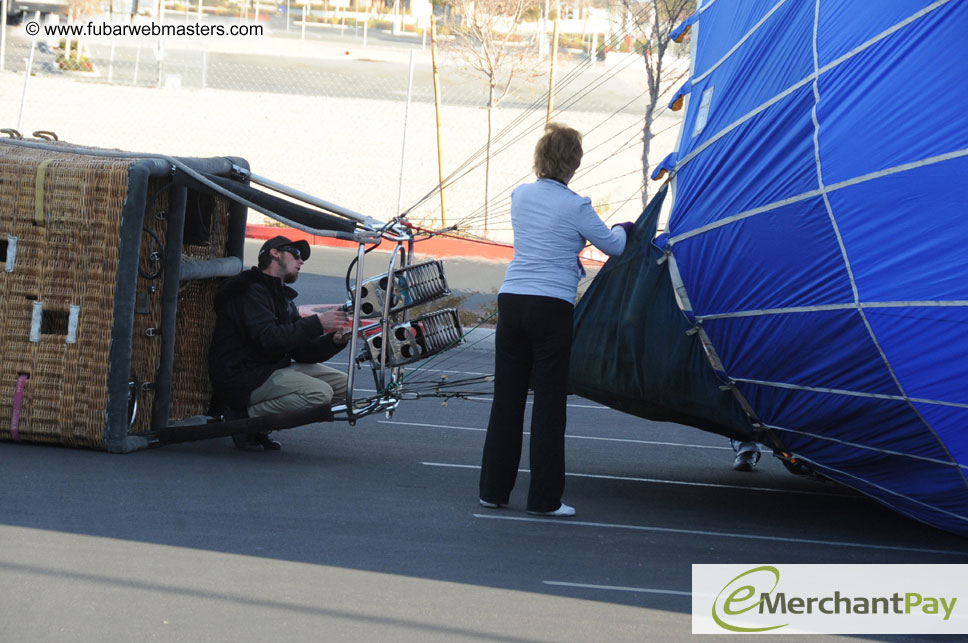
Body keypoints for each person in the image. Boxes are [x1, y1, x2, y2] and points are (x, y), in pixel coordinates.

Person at [479, 123, 633, 517]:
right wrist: (623, 226)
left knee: (507, 400)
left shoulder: (520, 196)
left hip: (513, 300)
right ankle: (544, 498)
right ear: (574, 163)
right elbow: (614, 246)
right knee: (548, 405)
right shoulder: (577, 204)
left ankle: (493, 490)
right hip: (552, 306)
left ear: (539, 157)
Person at [208, 235, 352, 451]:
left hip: (267, 368)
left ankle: (258, 425)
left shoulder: (280, 295)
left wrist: (334, 340)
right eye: (296, 254)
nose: (301, 261)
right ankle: (243, 420)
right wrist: (318, 323)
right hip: (242, 375)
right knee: (319, 394)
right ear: (274, 253)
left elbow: (302, 351)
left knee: (344, 387)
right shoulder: (250, 291)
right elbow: (268, 340)